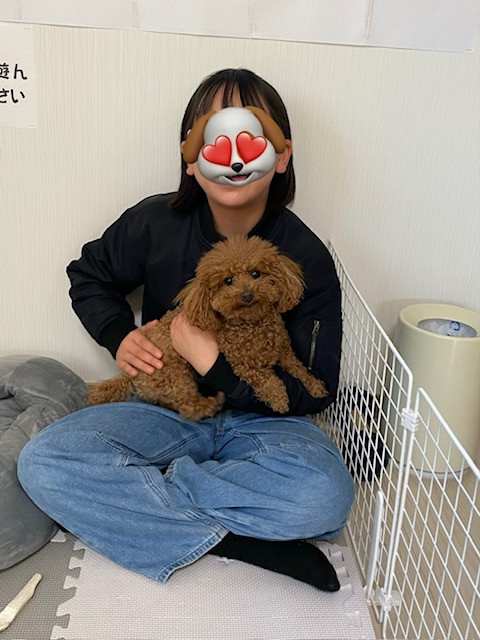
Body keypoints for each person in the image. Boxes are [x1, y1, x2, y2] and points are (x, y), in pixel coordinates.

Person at [18, 68, 354, 592]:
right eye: (216, 139)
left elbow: (315, 388)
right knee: (43, 462)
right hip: (166, 408)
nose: (234, 156)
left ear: (282, 154)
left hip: (267, 422)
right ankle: (235, 540)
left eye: (250, 137)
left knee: (326, 496)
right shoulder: (153, 222)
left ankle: (150, 491)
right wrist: (119, 335)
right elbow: (88, 276)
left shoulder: (305, 256)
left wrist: (212, 363)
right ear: (191, 158)